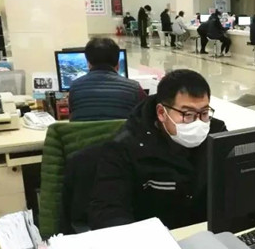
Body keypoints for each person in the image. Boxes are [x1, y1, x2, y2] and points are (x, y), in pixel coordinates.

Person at [88, 69, 227, 229]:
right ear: (161, 113)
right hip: (152, 237)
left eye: (204, 113)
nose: (198, 122)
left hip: (207, 232)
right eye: (188, 114)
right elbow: (108, 213)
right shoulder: (125, 147)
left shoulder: (217, 134)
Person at [68, 37, 146, 122]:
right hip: (123, 131)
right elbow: (147, 116)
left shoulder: (74, 88)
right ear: (118, 65)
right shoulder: (134, 89)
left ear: (89, 64)